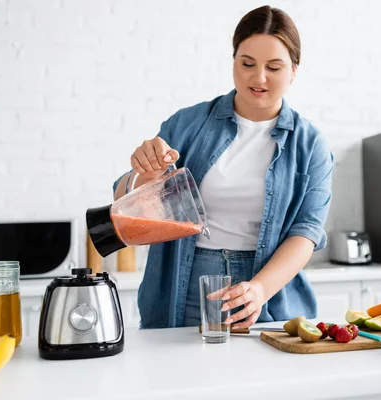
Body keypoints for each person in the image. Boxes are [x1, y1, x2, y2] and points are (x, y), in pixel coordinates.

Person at [113, 5, 334, 329]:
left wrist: (259, 290)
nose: (259, 78)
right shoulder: (186, 125)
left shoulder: (311, 144)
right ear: (233, 60)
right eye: (247, 63)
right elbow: (124, 204)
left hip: (269, 293)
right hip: (183, 286)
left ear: (294, 69)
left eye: (274, 67)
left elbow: (306, 232)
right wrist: (143, 176)